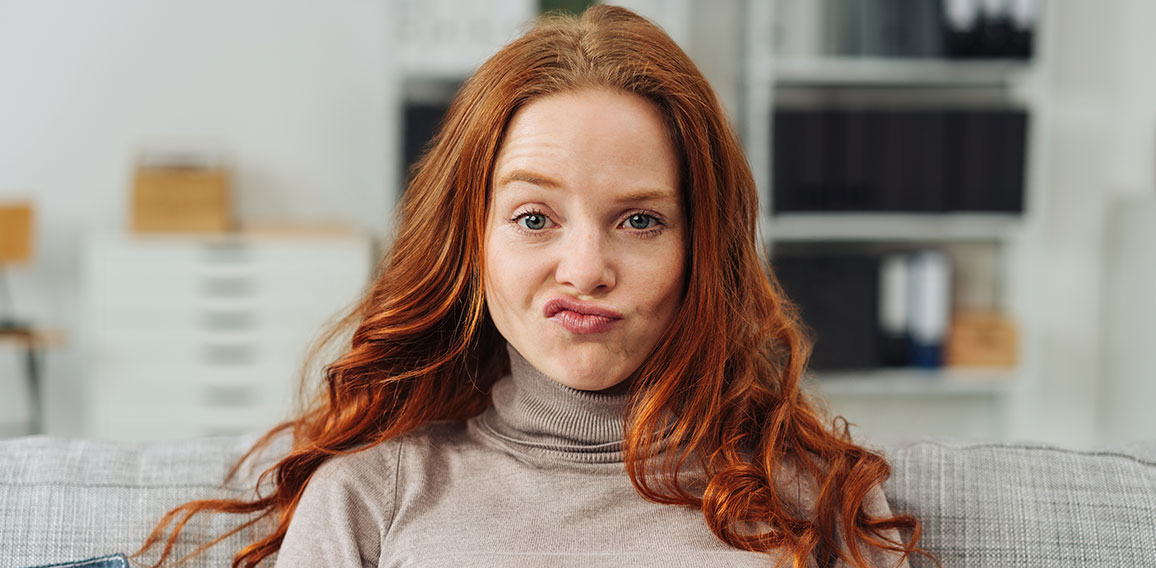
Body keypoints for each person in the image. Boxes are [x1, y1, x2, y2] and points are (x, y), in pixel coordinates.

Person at [142, 5, 929, 567]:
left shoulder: (818, 500)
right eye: (533, 218)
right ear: (470, 242)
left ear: (703, 249)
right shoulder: (367, 498)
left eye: (641, 221)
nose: (585, 269)